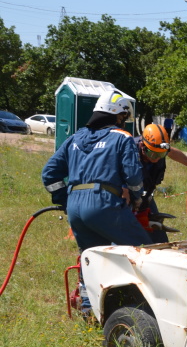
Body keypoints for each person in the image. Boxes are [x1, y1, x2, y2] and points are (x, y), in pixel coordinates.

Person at [42, 89, 151, 252]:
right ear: (116, 115)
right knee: (144, 250)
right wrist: (137, 198)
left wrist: (65, 200)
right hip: (103, 204)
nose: (123, 121)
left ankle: (84, 279)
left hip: (74, 209)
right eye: (122, 117)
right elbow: (133, 176)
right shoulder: (122, 137)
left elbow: (49, 174)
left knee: (91, 259)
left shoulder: (75, 138)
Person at [134, 123, 187, 243]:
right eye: (153, 154)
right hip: (127, 199)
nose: (156, 159)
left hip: (146, 195)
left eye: (161, 155)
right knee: (127, 237)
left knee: (159, 237)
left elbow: (173, 152)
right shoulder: (128, 150)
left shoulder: (159, 147)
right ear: (143, 145)